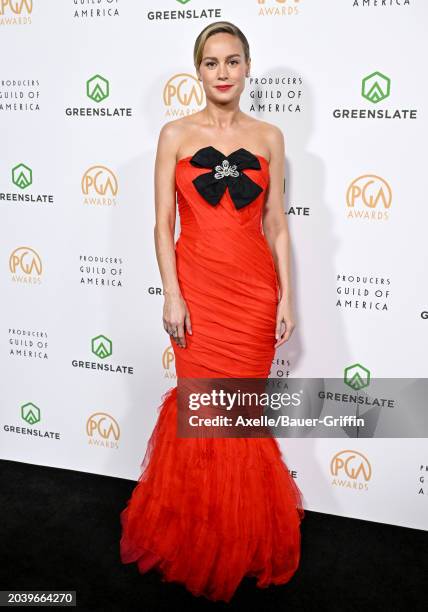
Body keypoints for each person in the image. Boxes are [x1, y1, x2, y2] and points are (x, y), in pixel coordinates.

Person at [120, 20, 305, 603]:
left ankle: (239, 542)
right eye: (210, 62)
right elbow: (162, 224)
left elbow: (276, 223)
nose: (222, 72)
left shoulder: (271, 137)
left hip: (252, 294)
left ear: (246, 67)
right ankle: (195, 538)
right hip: (197, 289)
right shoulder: (175, 134)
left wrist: (288, 295)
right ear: (197, 71)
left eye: (231, 61)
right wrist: (171, 292)